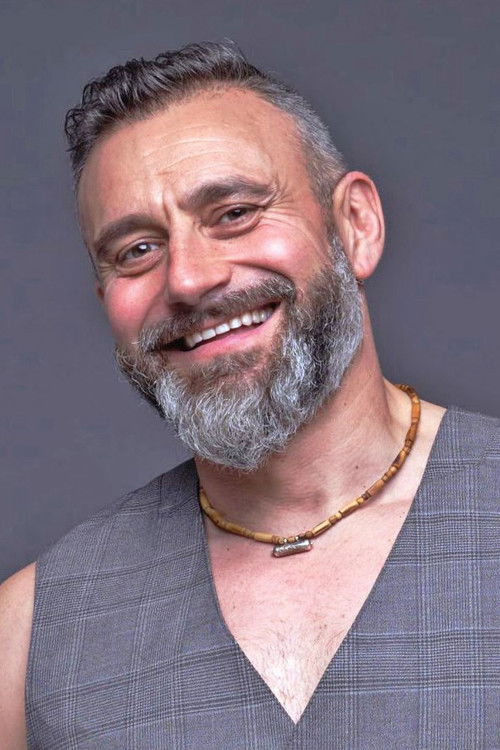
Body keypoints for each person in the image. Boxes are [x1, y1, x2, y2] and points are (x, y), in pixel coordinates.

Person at [0, 41, 498, 749]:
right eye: (136, 250)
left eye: (233, 212)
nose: (189, 279)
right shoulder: (28, 634)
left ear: (355, 225)